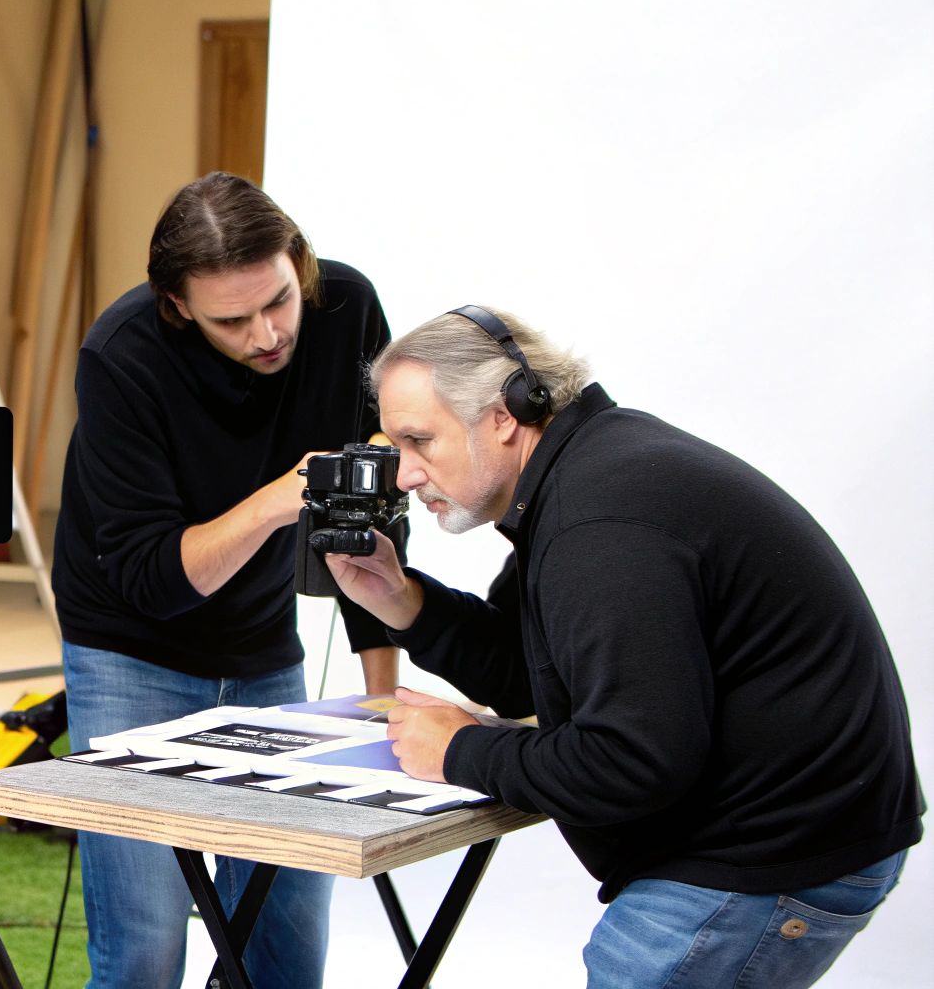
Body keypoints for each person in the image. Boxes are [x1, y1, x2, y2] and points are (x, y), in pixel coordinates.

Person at [324, 306, 923, 989]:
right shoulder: (587, 472)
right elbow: (538, 676)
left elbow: (631, 761)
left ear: (504, 415)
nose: (403, 475)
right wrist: (400, 600)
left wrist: (461, 750)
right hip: (786, 835)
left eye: (419, 441)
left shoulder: (601, 524)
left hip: (768, 858)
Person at [53, 172, 401, 989]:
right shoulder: (121, 357)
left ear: (299, 263)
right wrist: (281, 498)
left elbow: (371, 520)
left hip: (261, 641)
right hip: (128, 645)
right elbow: (151, 580)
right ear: (178, 306)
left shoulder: (347, 308)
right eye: (232, 321)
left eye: (278, 301)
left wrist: (382, 696)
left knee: (288, 942)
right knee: (144, 952)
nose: (268, 334)